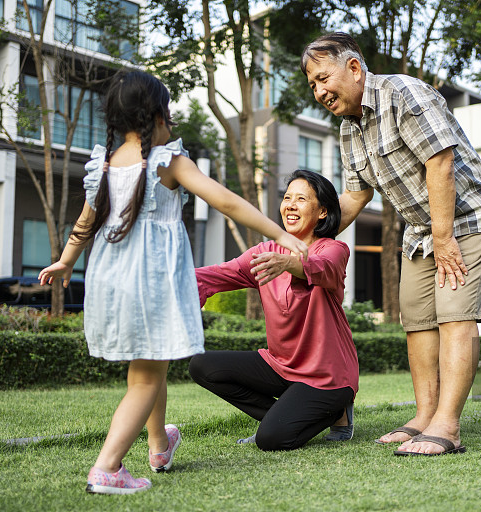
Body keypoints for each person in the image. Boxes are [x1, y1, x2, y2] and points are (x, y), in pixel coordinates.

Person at [38, 70, 308, 494]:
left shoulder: (104, 167)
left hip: (112, 280)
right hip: (153, 280)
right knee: (146, 377)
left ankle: (160, 444)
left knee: (149, 365)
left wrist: (65, 261)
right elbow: (225, 200)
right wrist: (278, 233)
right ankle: (108, 469)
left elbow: (84, 223)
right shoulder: (168, 161)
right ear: (158, 116)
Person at [300, 33, 481, 456]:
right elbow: (357, 195)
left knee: (455, 315)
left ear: (354, 68)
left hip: (467, 217)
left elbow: (440, 160)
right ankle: (424, 416)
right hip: (420, 230)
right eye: (313, 86)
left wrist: (445, 237)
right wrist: (307, 241)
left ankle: (447, 426)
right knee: (416, 319)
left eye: (324, 78)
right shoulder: (348, 129)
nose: (320, 91)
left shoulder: (404, 93)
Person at [189, 169, 359, 451]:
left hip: (328, 377)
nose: (290, 205)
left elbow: (323, 268)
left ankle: (337, 411)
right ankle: (282, 417)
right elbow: (213, 275)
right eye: (287, 197)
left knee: (272, 439)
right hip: (280, 366)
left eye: (301, 199)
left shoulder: (333, 249)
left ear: (322, 212)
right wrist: (165, 279)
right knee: (202, 366)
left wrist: (290, 264)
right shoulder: (266, 251)